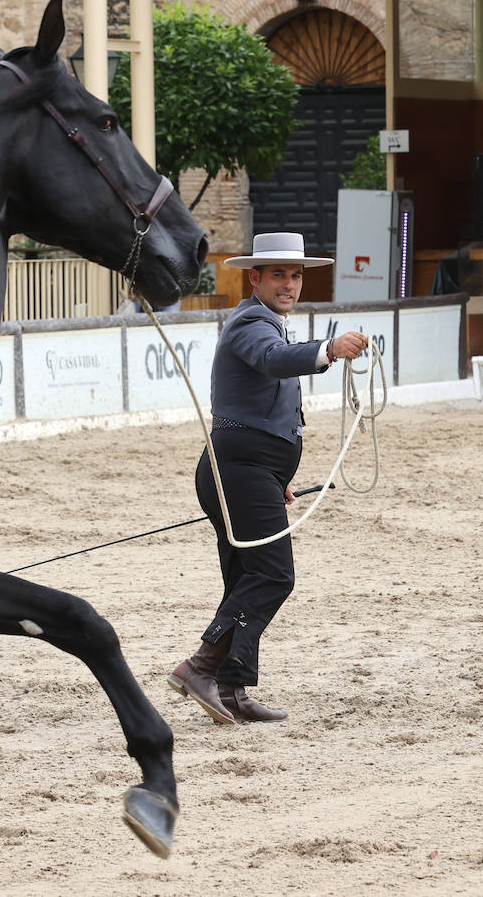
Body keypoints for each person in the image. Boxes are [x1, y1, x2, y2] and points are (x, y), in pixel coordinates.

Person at [167, 232, 369, 725]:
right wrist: (328, 348)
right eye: (279, 274)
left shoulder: (265, 323)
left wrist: (276, 476)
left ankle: (232, 687)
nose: (290, 284)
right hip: (240, 470)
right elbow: (274, 360)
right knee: (273, 575)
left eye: (296, 275)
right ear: (254, 278)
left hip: (248, 471)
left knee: (246, 578)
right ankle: (201, 667)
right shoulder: (251, 322)